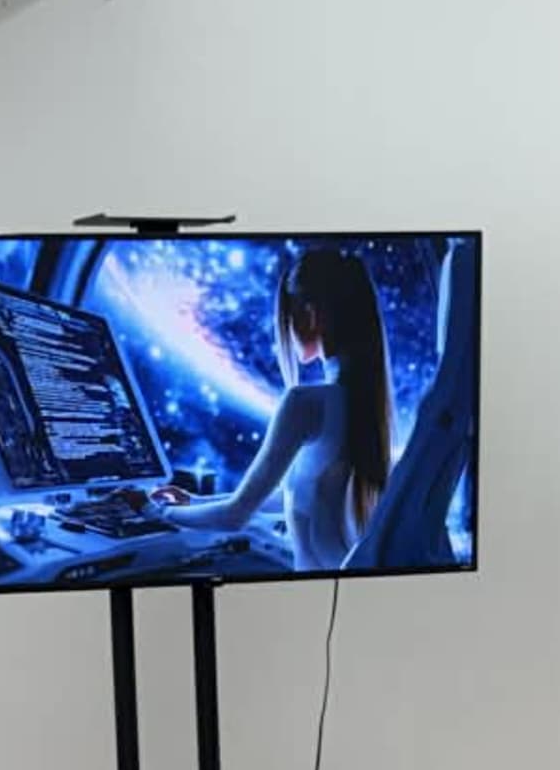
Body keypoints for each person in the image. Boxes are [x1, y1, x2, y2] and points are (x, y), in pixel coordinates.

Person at [159, 245, 392, 573]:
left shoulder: (305, 403)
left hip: (315, 591)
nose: (285, 331)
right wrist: (191, 501)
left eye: (289, 315)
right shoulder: (364, 403)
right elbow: (281, 499)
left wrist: (155, 513)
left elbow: (235, 515)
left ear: (312, 315)